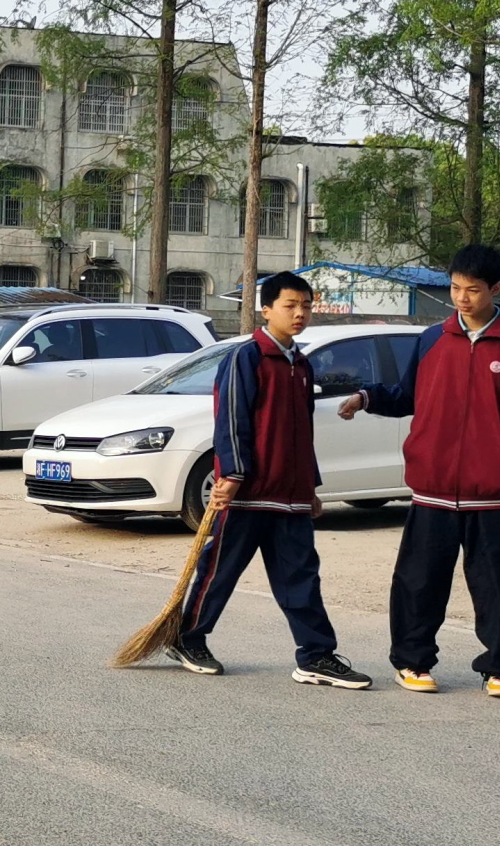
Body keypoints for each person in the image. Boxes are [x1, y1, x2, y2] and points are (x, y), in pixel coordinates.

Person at [339, 244, 500, 699]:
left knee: (497, 587)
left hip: (491, 494)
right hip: (432, 490)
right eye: (455, 288)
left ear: (495, 288)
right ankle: (412, 662)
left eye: (472, 290)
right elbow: (407, 394)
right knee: (418, 581)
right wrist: (368, 398)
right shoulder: (432, 339)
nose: (462, 298)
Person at [168, 271, 372, 690]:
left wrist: (311, 488)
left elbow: (301, 432)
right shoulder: (247, 359)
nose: (300, 314)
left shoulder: (302, 364)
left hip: (291, 497)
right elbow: (231, 421)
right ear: (267, 309)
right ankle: (188, 638)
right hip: (249, 493)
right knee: (220, 570)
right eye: (290, 305)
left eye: (307, 306)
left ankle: (316, 655)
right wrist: (233, 474)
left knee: (302, 577)